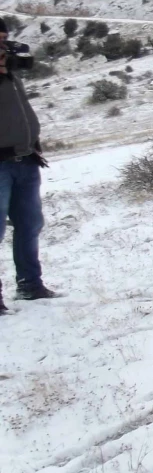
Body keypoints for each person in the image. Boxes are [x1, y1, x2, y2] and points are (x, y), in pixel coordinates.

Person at [0, 17, 58, 314]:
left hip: (26, 159)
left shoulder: (10, 71)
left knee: (30, 224)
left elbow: (28, 61)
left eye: (3, 40)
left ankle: (30, 285)